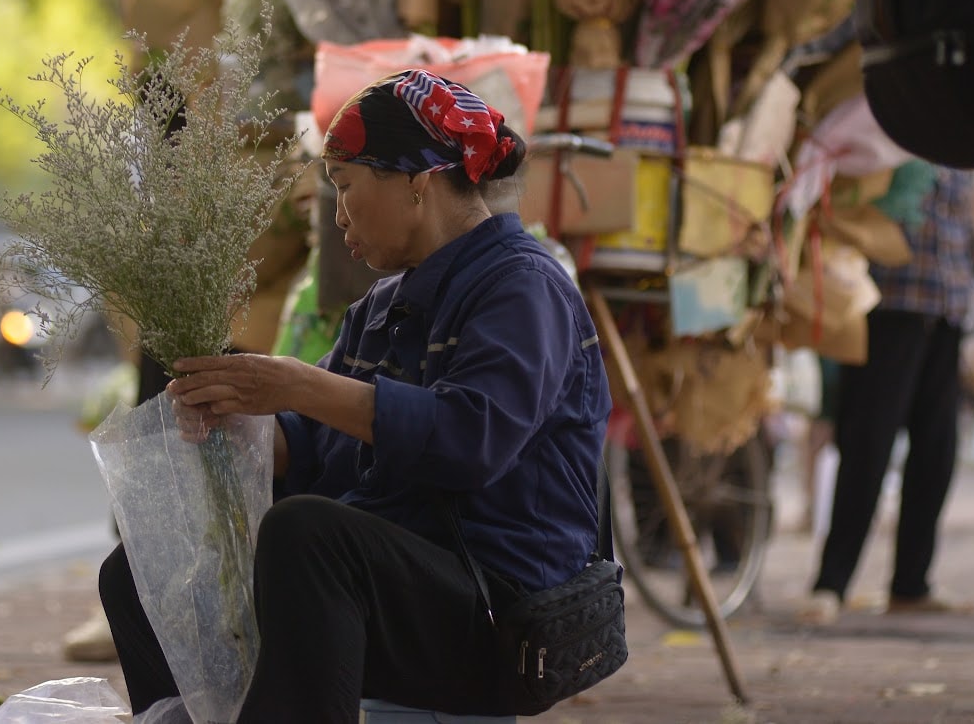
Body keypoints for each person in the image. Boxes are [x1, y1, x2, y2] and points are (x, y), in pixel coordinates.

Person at [96, 70, 612, 723]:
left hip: (503, 610)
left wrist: (300, 383)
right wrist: (239, 414)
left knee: (307, 534)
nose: (335, 214)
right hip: (396, 585)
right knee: (146, 567)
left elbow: (468, 441)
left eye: (344, 186)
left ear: (417, 181)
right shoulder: (382, 306)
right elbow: (313, 448)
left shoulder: (523, 288)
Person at [800, 163, 974, 624]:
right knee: (867, 448)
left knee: (937, 453)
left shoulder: (967, 142)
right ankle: (831, 584)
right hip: (889, 305)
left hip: (947, 306)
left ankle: (911, 584)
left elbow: (962, 223)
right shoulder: (890, 126)